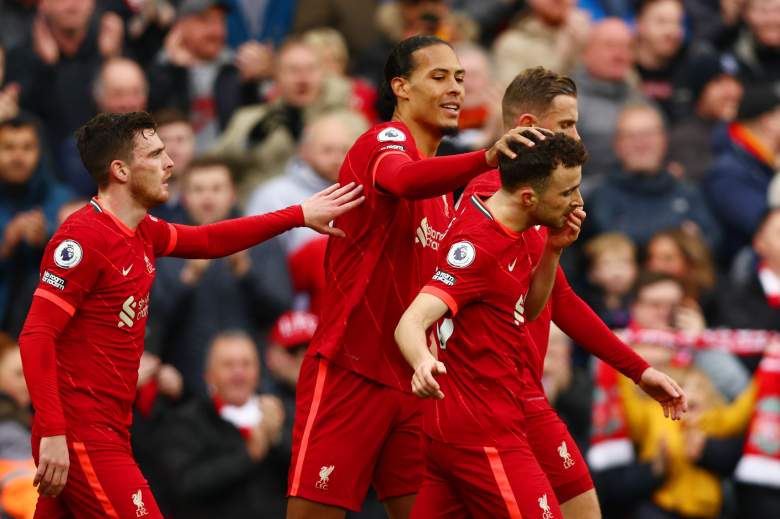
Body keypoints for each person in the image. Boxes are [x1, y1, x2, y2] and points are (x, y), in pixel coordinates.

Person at [18, 110, 363, 518]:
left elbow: (210, 239)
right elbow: (36, 334)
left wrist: (298, 215)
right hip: (82, 430)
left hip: (107, 423)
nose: (170, 164)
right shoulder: (82, 239)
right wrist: (56, 432)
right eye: (156, 154)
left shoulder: (142, 230)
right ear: (121, 170)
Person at [286, 35, 536, 519]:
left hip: (417, 381)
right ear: (400, 87)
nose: (455, 89)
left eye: (461, 79)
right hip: (350, 370)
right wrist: (485, 158)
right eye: (438, 77)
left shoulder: (444, 195)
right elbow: (401, 180)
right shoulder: (382, 141)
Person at [397, 133, 686, 518]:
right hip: (484, 431)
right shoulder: (480, 245)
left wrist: (552, 251)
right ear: (530, 197)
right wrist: (421, 361)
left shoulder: (518, 227)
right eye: (568, 192)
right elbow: (411, 321)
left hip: (468, 426)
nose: (578, 202)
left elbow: (530, 310)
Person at [158, 331, 288, 518]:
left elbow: (307, 477)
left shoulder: (279, 412)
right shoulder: (187, 421)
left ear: (259, 371)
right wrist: (248, 455)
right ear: (209, 376)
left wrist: (277, 438)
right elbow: (184, 484)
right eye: (228, 365)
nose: (239, 372)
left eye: (246, 364)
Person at [0, 116, 73, 337]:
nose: (18, 157)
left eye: (27, 147)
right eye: (8, 147)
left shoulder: (64, 202)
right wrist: (6, 246)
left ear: (40, 152)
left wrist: (49, 239)